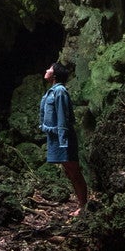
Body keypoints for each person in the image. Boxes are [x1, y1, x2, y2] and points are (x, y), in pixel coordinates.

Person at [39, 59, 89, 215]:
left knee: (73, 170)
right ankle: (81, 204)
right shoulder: (53, 91)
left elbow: (63, 116)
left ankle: (83, 206)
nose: (46, 70)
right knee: (69, 171)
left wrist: (63, 140)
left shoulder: (60, 91)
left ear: (54, 74)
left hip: (62, 137)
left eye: (49, 68)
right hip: (56, 137)